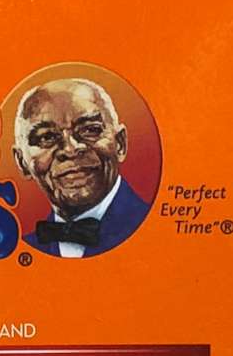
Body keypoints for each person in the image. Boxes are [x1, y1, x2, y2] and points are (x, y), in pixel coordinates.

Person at [14, 77, 151, 258]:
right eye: (46, 137)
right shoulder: (22, 248)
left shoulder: (155, 229)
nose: (71, 149)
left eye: (90, 130)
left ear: (120, 143)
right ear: (22, 162)